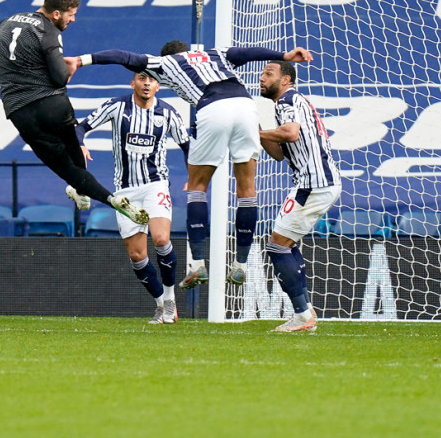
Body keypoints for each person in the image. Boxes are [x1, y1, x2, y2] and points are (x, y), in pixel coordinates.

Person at [67, 41, 312, 289]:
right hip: (246, 107)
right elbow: (248, 53)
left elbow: (123, 55)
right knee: (247, 189)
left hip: (213, 108)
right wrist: (284, 55)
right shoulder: (214, 53)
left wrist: (81, 59)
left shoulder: (165, 63)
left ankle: (197, 265)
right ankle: (241, 265)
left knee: (197, 187)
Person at [0, 0, 148, 225]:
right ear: (56, 14)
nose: (73, 19)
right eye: (71, 14)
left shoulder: (6, 23)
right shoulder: (48, 31)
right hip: (53, 105)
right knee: (73, 151)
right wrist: (68, 67)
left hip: (19, 111)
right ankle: (90, 192)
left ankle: (106, 198)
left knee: (65, 167)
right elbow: (58, 78)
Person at [76, 72, 191, 324]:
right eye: (141, 78)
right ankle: (160, 304)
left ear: (158, 86)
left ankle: (170, 300)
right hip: (125, 191)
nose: (147, 83)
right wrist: (81, 144)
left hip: (155, 184)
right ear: (133, 83)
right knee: (137, 255)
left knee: (161, 238)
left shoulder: (168, 113)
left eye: (151, 80)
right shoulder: (117, 106)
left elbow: (187, 145)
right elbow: (81, 127)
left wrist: (194, 177)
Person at [258, 60, 341, 333]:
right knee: (285, 244)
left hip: (313, 184)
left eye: (269, 74)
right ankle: (305, 312)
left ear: (285, 80)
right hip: (316, 182)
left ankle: (303, 315)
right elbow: (281, 153)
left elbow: (291, 134)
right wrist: (259, 134)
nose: (262, 78)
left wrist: (255, 131)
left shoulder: (287, 100)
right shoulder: (293, 102)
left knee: (277, 246)